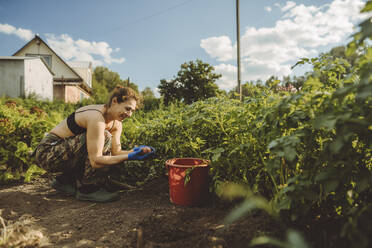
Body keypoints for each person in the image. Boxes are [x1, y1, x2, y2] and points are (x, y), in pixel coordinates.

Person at [35, 86, 155, 202]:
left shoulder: (117, 123)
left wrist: (135, 152)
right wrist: (129, 157)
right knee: (104, 136)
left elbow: (116, 152)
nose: (129, 114)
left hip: (64, 152)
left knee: (101, 139)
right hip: (47, 153)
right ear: (114, 101)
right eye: (127, 108)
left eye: (132, 111)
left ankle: (64, 181)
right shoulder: (96, 117)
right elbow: (96, 161)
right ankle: (88, 189)